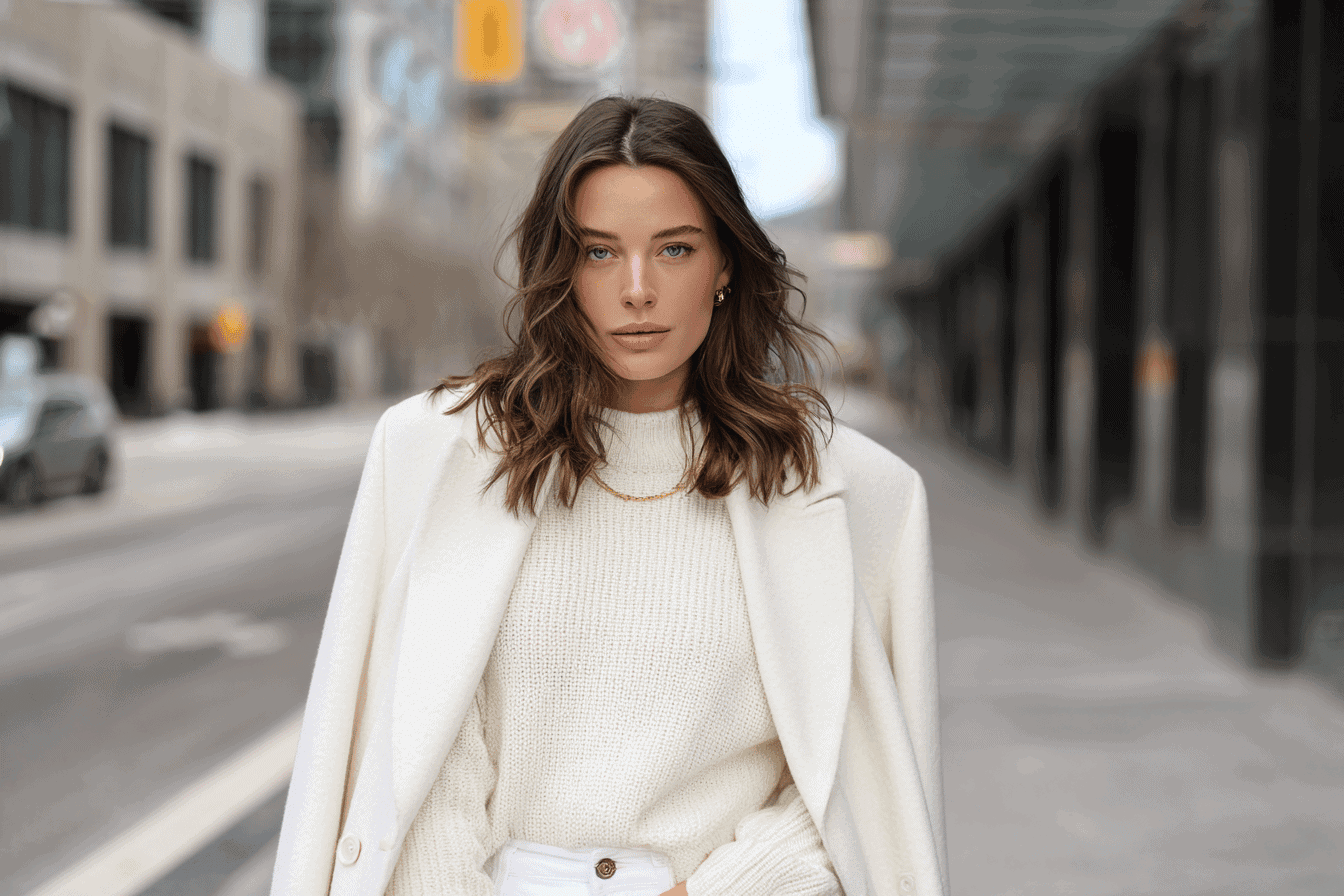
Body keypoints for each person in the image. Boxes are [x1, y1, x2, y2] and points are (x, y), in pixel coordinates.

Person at [270, 95, 947, 896]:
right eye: (599, 252)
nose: (636, 289)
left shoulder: (856, 493)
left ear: (726, 264)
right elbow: (411, 750)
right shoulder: (433, 453)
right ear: (560, 267)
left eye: (674, 249)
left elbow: (860, 784)